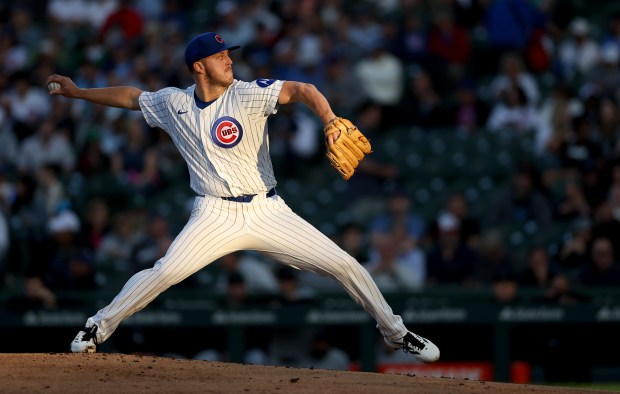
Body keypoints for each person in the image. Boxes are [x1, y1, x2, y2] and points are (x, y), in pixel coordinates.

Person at [48, 32, 439, 362]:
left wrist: (330, 119)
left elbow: (304, 89)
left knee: (346, 265)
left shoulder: (249, 94)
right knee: (165, 272)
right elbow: (132, 97)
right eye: (219, 56)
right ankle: (95, 328)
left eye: (228, 54)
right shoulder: (174, 102)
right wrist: (79, 92)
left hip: (267, 210)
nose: (228, 60)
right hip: (214, 214)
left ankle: (395, 332)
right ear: (199, 66)